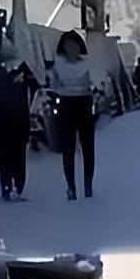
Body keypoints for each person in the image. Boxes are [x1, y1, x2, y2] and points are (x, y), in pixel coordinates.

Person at [0, 53, 39, 201]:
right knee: (13, 158)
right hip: (10, 122)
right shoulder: (15, 78)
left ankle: (11, 188)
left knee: (11, 158)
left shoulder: (1, 76)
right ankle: (13, 188)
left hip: (12, 122)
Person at [52, 30, 97, 200]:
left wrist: (97, 91)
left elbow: (98, 82)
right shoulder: (58, 65)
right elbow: (54, 86)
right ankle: (71, 186)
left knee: (88, 147)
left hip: (84, 103)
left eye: (75, 45)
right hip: (66, 104)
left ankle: (88, 184)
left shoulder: (88, 64)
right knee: (68, 149)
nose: (72, 49)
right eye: (68, 46)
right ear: (63, 47)